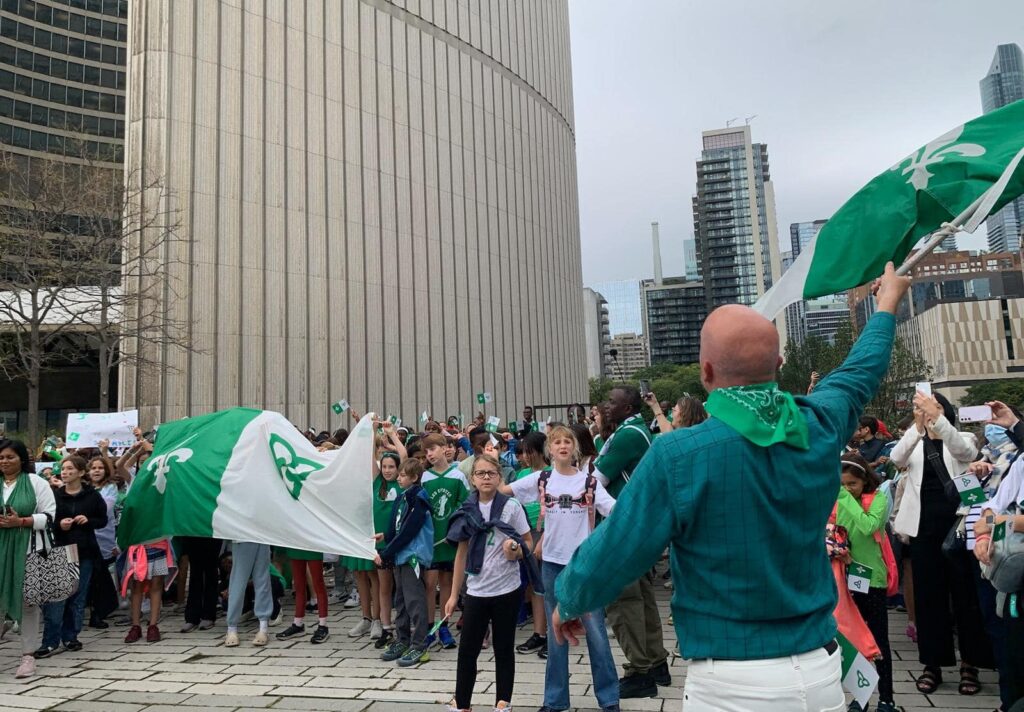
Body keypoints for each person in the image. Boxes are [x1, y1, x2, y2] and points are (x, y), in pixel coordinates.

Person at [550, 263, 912, 711]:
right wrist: (886, 305)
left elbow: (618, 547)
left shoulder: (677, 455)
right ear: (778, 365)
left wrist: (569, 598)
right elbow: (860, 372)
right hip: (821, 674)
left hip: (729, 681)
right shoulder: (820, 426)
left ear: (705, 372)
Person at [503, 426, 619, 712]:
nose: (563, 445)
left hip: (584, 567)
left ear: (575, 448)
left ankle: (609, 699)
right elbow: (504, 491)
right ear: (550, 450)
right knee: (556, 638)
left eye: (568, 441)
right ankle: (554, 701)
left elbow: (614, 509)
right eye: (558, 442)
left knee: (596, 635)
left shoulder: (589, 483)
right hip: (552, 565)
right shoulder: (542, 479)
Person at [891, 391, 992, 696]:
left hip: (959, 524)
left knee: (966, 596)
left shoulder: (961, 436)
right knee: (929, 597)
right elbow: (896, 458)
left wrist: (939, 420)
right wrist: (917, 428)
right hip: (924, 527)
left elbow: (965, 453)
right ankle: (932, 663)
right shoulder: (915, 441)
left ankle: (970, 664)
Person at [591, 385, 668, 698]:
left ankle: (640, 671)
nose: (606, 406)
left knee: (623, 600)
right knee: (642, 595)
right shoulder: (633, 430)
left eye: (612, 402)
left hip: (622, 526)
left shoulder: (628, 434)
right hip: (637, 524)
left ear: (627, 407)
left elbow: (596, 479)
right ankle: (656, 661)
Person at [445, 454, 536, 712]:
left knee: (504, 647)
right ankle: (462, 702)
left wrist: (516, 549)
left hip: (507, 588)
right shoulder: (467, 510)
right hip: (476, 590)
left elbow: (528, 541)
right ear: (472, 479)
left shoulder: (511, 507)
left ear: (499, 477)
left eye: (491, 473)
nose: (486, 477)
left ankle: (503, 701)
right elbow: (461, 554)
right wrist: (453, 595)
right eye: (481, 473)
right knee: (467, 650)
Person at [836, 453, 896, 712]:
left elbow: (868, 525)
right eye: (843, 484)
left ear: (864, 481)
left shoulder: (878, 499)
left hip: (872, 579)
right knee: (852, 641)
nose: (848, 488)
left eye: (853, 484)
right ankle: (860, 697)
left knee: (879, 639)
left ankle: (886, 698)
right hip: (845, 578)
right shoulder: (837, 501)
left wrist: (843, 497)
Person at [37, 455, 108, 657]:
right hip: (60, 548)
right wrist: (60, 524)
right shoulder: (55, 495)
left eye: (70, 469)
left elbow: (102, 519)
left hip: (85, 550)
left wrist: (88, 520)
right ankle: (50, 641)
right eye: (63, 469)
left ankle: (71, 636)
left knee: (77, 597)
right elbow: (47, 520)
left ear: (80, 472)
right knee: (56, 599)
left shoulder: (92, 496)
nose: (65, 472)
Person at [0, 438, 57, 679]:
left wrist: (20, 521)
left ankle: (28, 656)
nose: (4, 461)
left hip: (28, 550)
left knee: (28, 603)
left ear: (22, 459)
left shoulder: (36, 482)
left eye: (10, 457)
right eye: (1, 457)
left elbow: (50, 517)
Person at [376, 458, 434, 667]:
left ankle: (420, 645)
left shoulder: (419, 498)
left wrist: (386, 553)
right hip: (400, 555)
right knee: (400, 600)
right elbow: (396, 527)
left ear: (414, 478)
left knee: (414, 601)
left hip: (412, 556)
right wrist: (386, 539)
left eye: (402, 475)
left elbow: (409, 531)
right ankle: (402, 639)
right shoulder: (402, 497)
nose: (398, 478)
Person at [420, 433, 470, 649]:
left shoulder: (458, 476)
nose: (430, 454)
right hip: (430, 541)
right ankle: (430, 627)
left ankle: (444, 626)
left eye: (433, 449)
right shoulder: (424, 478)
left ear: (444, 448)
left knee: (448, 585)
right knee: (429, 584)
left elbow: (466, 503)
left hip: (449, 541)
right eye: (426, 451)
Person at [512, 431, 549, 657]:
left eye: (528, 451)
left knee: (549, 585)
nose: (525, 456)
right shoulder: (523, 474)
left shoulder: (553, 473)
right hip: (526, 530)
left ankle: (555, 635)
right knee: (536, 585)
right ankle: (539, 632)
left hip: (546, 532)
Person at [373, 452, 402, 649]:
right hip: (380, 545)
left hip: (398, 544)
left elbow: (404, 454)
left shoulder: (402, 485)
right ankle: (386, 627)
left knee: (401, 588)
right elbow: (370, 456)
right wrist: (372, 430)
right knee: (384, 587)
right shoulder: (377, 483)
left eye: (391, 466)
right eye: (384, 467)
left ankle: (402, 626)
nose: (387, 470)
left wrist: (391, 434)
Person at [224, 542, 276, 647]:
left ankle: (263, 627)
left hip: (261, 535)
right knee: (238, 580)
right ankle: (232, 628)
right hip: (242, 536)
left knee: (262, 579)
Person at [179, 535, 224, 633]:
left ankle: (209, 615)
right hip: (193, 532)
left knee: (211, 571)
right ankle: (192, 617)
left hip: (211, 532)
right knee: (195, 572)